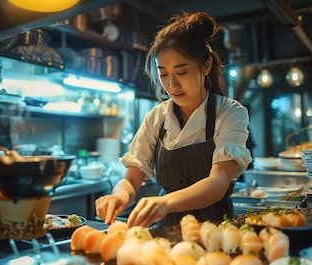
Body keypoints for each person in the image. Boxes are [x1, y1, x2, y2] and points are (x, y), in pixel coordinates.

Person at [95, 11, 253, 228]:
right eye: (164, 74)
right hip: (166, 230)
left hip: (215, 231)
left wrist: (164, 203)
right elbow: (131, 179)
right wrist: (119, 196)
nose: (172, 85)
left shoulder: (230, 113)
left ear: (205, 66)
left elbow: (218, 182)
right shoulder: (156, 118)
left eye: (182, 72)